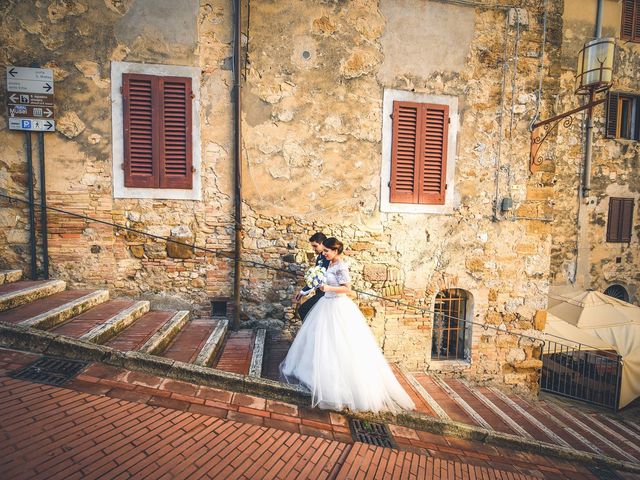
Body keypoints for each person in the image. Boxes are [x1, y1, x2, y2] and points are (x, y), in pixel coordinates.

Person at [281, 237, 415, 413]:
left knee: (341, 343)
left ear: (335, 251)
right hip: (325, 306)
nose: (324, 253)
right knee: (321, 341)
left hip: (338, 306)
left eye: (327, 251)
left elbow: (348, 289)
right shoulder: (327, 263)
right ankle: (315, 373)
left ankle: (341, 386)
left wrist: (329, 289)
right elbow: (321, 280)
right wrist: (314, 286)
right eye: (324, 251)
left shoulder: (341, 266)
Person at [295, 232, 330, 321]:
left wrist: (303, 291)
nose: (313, 249)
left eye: (315, 246)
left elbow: (320, 278)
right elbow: (315, 277)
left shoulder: (328, 258)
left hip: (326, 293)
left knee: (304, 310)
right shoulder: (319, 257)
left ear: (322, 244)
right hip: (319, 292)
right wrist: (303, 291)